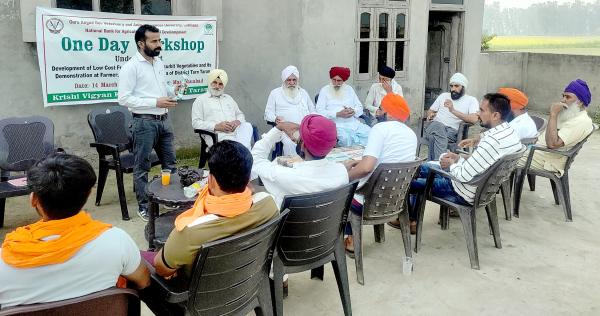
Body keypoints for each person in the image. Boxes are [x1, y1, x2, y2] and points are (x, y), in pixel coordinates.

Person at [142, 141, 278, 315]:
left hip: (201, 300)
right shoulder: (268, 204)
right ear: (247, 176)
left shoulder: (189, 232)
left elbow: (161, 267)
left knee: (132, 264)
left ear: (211, 180)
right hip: (246, 282)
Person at [0, 154, 150, 308]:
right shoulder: (116, 241)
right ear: (89, 194)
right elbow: (143, 281)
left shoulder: (4, 263)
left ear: (33, 199)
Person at [410, 93, 521, 220]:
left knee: (412, 181)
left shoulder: (491, 142)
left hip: (462, 191)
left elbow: (463, 175)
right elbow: (486, 161)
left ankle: (410, 219)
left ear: (496, 115)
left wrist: (452, 164)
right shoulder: (510, 133)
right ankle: (413, 215)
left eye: (482, 110)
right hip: (482, 189)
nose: (478, 113)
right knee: (424, 167)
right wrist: (458, 158)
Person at [118, 24, 180, 221]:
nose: (159, 44)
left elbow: (159, 90)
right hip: (143, 124)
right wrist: (155, 102)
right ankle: (144, 206)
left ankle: (172, 200)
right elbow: (124, 99)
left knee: (170, 164)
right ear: (141, 43)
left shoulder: (158, 63)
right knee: (142, 166)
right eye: (154, 41)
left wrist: (172, 90)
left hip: (164, 120)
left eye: (159, 40)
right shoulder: (130, 67)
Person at [344, 93, 417, 254]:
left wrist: (345, 176)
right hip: (395, 200)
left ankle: (351, 238)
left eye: (381, 109)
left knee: (342, 188)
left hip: (369, 201)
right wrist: (361, 163)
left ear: (389, 112)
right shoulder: (411, 135)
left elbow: (366, 168)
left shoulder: (379, 129)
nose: (378, 112)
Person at [251, 114, 349, 208]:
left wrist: (279, 128)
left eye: (300, 137)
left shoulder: (283, 175)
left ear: (303, 145)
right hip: (329, 224)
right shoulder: (341, 172)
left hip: (291, 225)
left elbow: (256, 158)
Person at [518, 79, 594, 175]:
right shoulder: (570, 114)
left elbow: (553, 144)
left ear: (580, 102)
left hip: (548, 160)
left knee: (501, 161)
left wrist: (553, 114)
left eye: (568, 97)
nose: (563, 100)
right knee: (501, 152)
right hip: (537, 152)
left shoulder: (581, 121)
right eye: (563, 96)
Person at [192, 69, 254, 149]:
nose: (217, 86)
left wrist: (237, 121)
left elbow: (240, 114)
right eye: (214, 82)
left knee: (247, 126)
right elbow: (196, 123)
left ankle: (244, 153)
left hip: (235, 132)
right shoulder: (201, 100)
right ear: (210, 82)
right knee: (238, 146)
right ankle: (244, 153)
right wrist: (216, 126)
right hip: (217, 135)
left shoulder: (229, 98)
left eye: (220, 84)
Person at [424, 73, 479, 161]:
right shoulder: (443, 96)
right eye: (451, 86)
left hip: (451, 132)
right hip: (434, 126)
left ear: (463, 87)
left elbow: (474, 119)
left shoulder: (471, 100)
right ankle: (439, 162)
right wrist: (431, 115)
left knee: (435, 137)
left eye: (456, 86)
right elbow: (431, 111)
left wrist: (452, 110)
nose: (453, 89)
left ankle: (433, 163)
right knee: (439, 127)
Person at [264, 65, 316, 155]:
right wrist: (275, 118)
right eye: (289, 80)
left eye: (294, 80)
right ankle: (294, 167)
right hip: (286, 129)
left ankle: (310, 166)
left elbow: (313, 110)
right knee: (291, 143)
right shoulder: (275, 93)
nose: (292, 82)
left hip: (305, 128)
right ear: (284, 80)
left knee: (316, 139)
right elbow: (268, 113)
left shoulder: (303, 93)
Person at [316, 66, 371, 147]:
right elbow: (319, 111)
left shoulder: (349, 90)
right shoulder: (325, 90)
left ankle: (363, 158)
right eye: (334, 80)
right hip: (336, 125)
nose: (336, 83)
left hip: (353, 123)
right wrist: (337, 114)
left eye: (339, 81)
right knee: (345, 140)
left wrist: (353, 111)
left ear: (344, 80)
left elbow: (359, 106)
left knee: (370, 134)